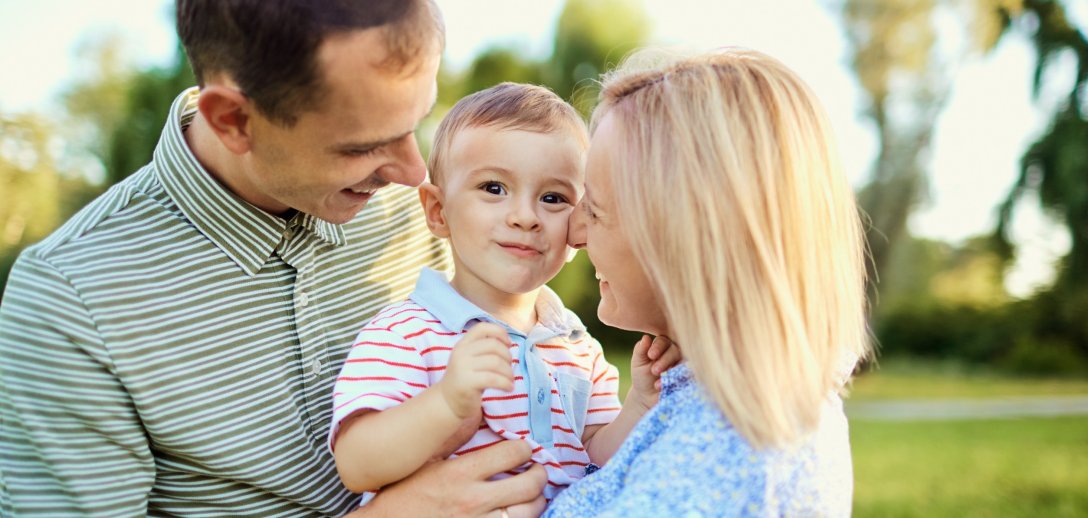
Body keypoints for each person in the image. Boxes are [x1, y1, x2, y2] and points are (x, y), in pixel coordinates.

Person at [0, 1, 545, 515]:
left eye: (416, 123)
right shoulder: (68, 301)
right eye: (361, 146)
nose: (411, 172)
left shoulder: (414, 217)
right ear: (233, 120)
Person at [545, 47, 871, 516]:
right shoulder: (723, 414)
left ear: (683, 239)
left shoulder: (721, 463)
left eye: (594, 211)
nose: (573, 233)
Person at [328, 83, 680, 513]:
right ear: (438, 211)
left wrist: (640, 404)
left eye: (553, 198)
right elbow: (357, 463)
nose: (524, 217)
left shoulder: (576, 346)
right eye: (494, 188)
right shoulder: (405, 333)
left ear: (579, 224)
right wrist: (447, 402)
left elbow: (596, 456)